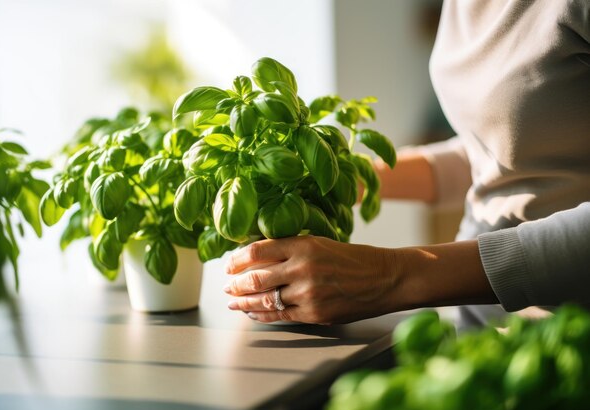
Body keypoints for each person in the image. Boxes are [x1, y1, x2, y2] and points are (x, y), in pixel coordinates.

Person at [224, 0, 590, 326]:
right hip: (481, 328)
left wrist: (390, 277)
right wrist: (349, 177)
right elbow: (509, 151)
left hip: (566, 333)